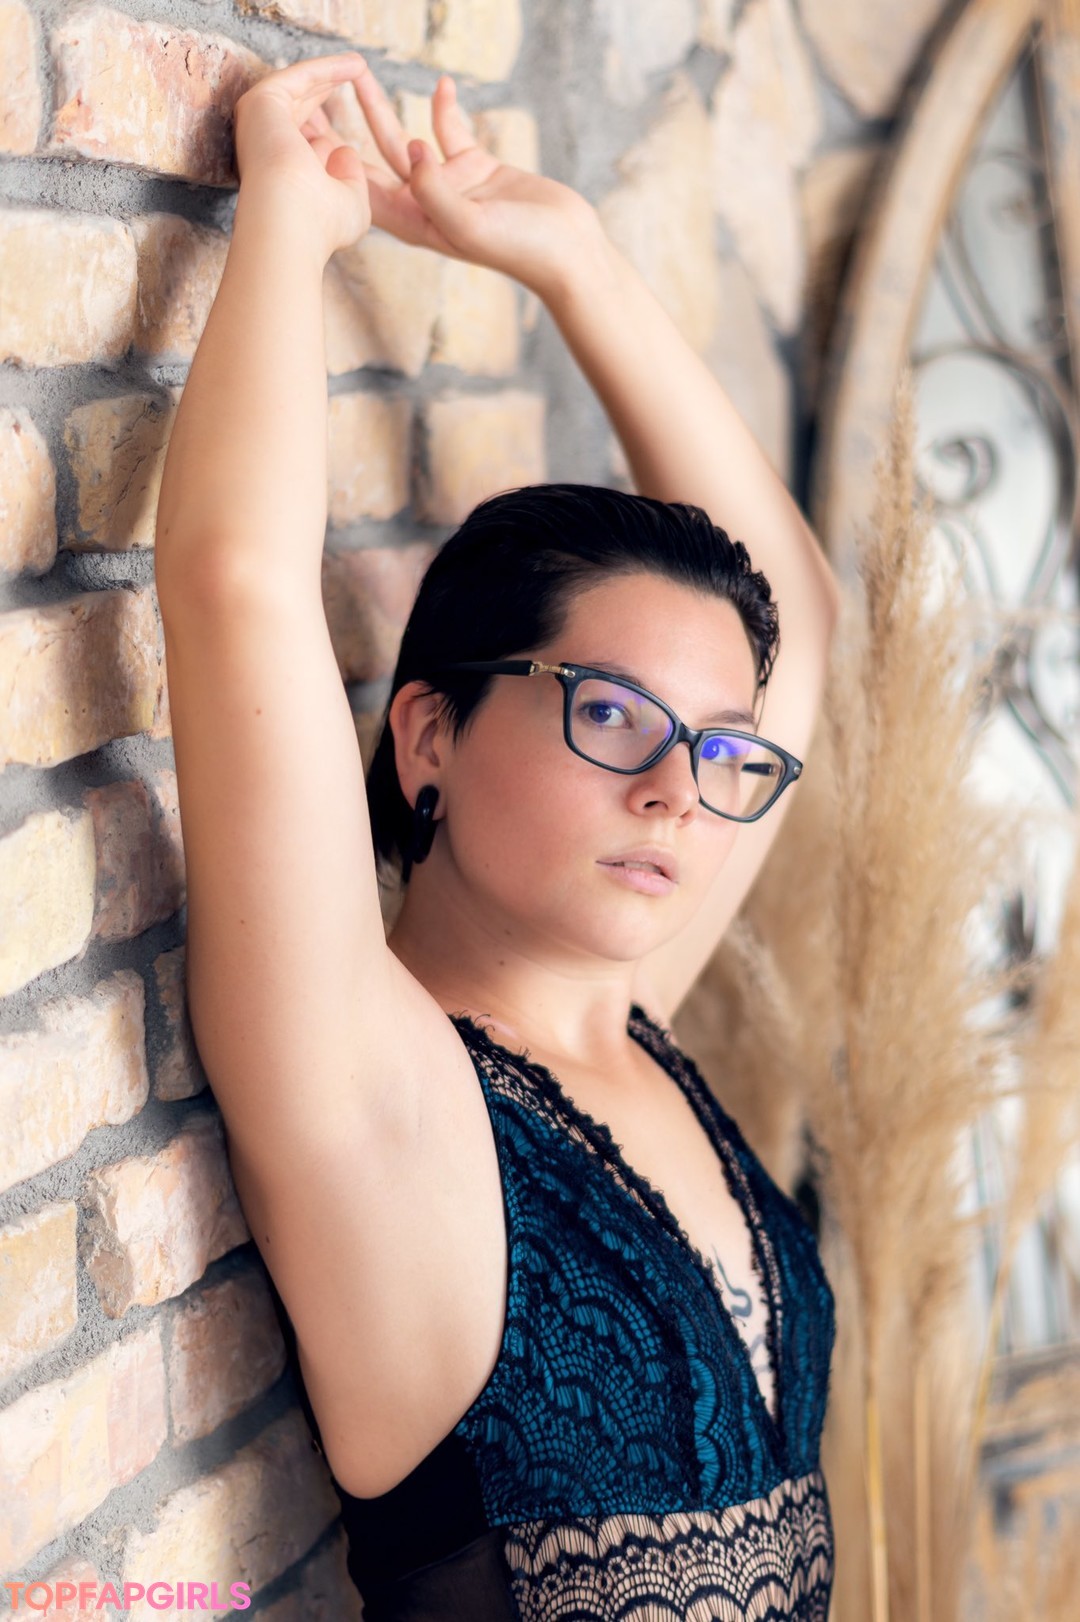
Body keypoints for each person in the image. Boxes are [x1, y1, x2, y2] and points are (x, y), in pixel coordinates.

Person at [154, 49, 843, 1622]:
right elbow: (235, 588)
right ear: (429, 737)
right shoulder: (374, 1085)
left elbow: (795, 617)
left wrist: (572, 257)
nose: (679, 790)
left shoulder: (629, 1008)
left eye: (719, 750)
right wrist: (287, 227)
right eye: (613, 714)